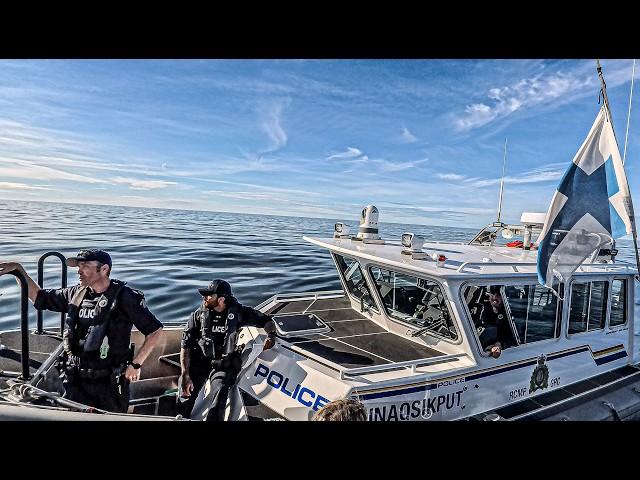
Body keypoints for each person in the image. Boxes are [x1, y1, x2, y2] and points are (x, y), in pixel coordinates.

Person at [0, 249, 163, 413]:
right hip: (75, 379)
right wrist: (18, 271)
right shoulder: (75, 294)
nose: (79, 270)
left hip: (109, 382)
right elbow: (39, 297)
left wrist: (136, 364)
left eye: (84, 265)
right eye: (78, 266)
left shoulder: (125, 297)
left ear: (104, 269)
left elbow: (154, 330)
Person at [178, 279, 276, 421]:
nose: (204, 297)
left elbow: (266, 320)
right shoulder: (197, 316)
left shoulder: (239, 313)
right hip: (200, 362)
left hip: (222, 364)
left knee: (220, 394)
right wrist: (185, 374)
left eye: (209, 295)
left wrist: (271, 336)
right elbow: (185, 346)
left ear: (221, 299)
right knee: (184, 396)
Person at [475, 285, 514, 358]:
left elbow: (511, 338)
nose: (495, 297)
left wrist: (499, 344)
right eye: (492, 293)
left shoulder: (510, 315)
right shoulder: (481, 309)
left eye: (499, 294)